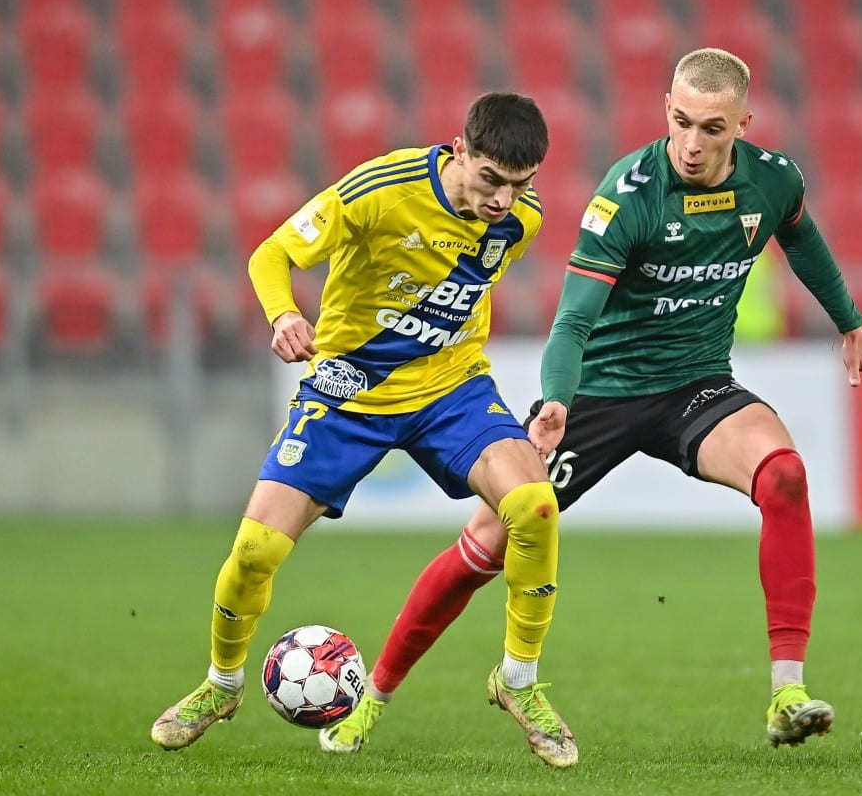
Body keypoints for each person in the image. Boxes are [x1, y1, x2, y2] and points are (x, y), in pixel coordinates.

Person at [325, 47, 862, 753]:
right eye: (681, 122)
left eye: (712, 129)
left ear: (744, 123)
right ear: (666, 110)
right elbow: (571, 323)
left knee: (784, 475)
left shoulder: (774, 182)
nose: (691, 144)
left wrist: (852, 325)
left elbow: (801, 236)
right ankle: (374, 697)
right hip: (599, 392)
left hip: (696, 385)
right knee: (486, 549)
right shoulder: (628, 194)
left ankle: (787, 691)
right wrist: (556, 400)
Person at [149, 92, 578, 769]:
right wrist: (283, 316)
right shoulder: (380, 190)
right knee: (255, 552)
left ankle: (518, 683)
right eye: (490, 179)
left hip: (451, 389)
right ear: (458, 150)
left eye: (519, 185)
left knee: (535, 507)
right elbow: (271, 254)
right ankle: (221, 685)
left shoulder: (520, 221)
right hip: (348, 393)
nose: (503, 200)